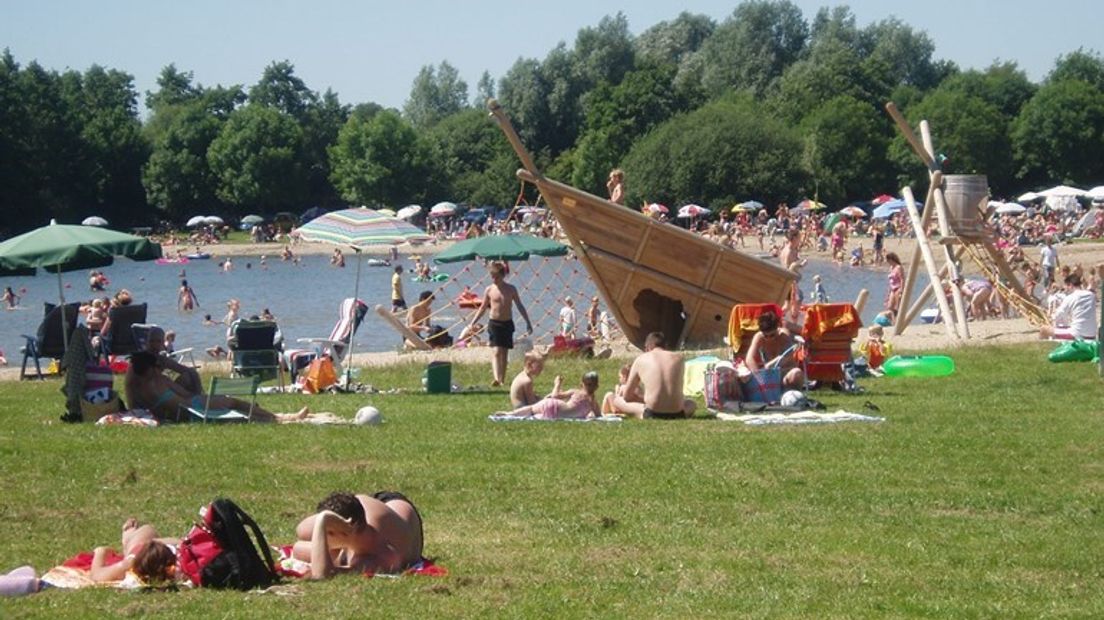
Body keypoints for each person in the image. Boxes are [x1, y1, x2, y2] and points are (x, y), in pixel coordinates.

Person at [125, 351, 308, 423]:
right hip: (192, 410)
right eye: (156, 366)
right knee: (231, 403)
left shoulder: (160, 381)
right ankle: (279, 418)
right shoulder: (143, 388)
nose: (160, 368)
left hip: (193, 405)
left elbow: (185, 392)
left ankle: (278, 417)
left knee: (233, 403)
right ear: (148, 368)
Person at [293, 491, 425, 578]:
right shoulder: (358, 525)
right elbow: (300, 530)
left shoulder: (382, 558)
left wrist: (323, 521)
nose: (324, 537)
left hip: (399, 515)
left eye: (328, 533)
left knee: (304, 549)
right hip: (374, 507)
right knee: (303, 543)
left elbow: (321, 574)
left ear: (348, 529)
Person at [468, 261, 533, 387]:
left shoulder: (511, 289)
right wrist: (473, 322)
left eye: (496, 276)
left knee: (504, 352)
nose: (494, 279)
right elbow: (482, 308)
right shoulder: (489, 289)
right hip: (494, 323)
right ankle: (496, 378)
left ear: (503, 276)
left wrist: (528, 322)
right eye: (492, 276)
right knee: (496, 351)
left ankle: (502, 379)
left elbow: (519, 305)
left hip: (507, 323)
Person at [611, 332, 697, 419]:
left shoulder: (641, 359)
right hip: (677, 412)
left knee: (617, 400)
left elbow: (627, 396)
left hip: (652, 413)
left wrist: (642, 399)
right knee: (691, 403)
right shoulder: (679, 358)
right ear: (665, 346)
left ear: (648, 347)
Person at [90, 518, 180, 585]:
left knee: (147, 531)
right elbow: (97, 575)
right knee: (147, 531)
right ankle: (129, 538)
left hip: (150, 547)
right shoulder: (128, 564)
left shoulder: (130, 563)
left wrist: (100, 552)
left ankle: (129, 538)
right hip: (144, 548)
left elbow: (96, 575)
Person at [498, 371, 600, 420]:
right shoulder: (593, 403)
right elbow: (598, 415)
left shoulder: (576, 391)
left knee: (531, 409)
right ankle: (512, 415)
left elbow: (555, 395)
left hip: (554, 405)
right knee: (534, 415)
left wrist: (557, 384)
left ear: (581, 384)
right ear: (597, 387)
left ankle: (510, 414)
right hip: (558, 415)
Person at [745, 311, 804, 390]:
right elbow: (749, 358)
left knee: (797, 373)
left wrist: (770, 365)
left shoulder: (784, 336)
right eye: (766, 336)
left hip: (785, 373)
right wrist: (759, 376)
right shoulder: (759, 337)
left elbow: (788, 356)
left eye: (772, 335)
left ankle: (792, 396)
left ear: (777, 328)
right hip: (769, 375)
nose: (769, 339)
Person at [1039, 273, 1098, 340]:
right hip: (1092, 334)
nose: (1066, 289)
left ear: (1071, 285)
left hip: (1076, 334)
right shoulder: (1091, 295)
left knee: (1044, 329)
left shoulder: (1070, 297)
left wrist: (1049, 316)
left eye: (1067, 286)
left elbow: (1058, 315)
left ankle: (1044, 347)